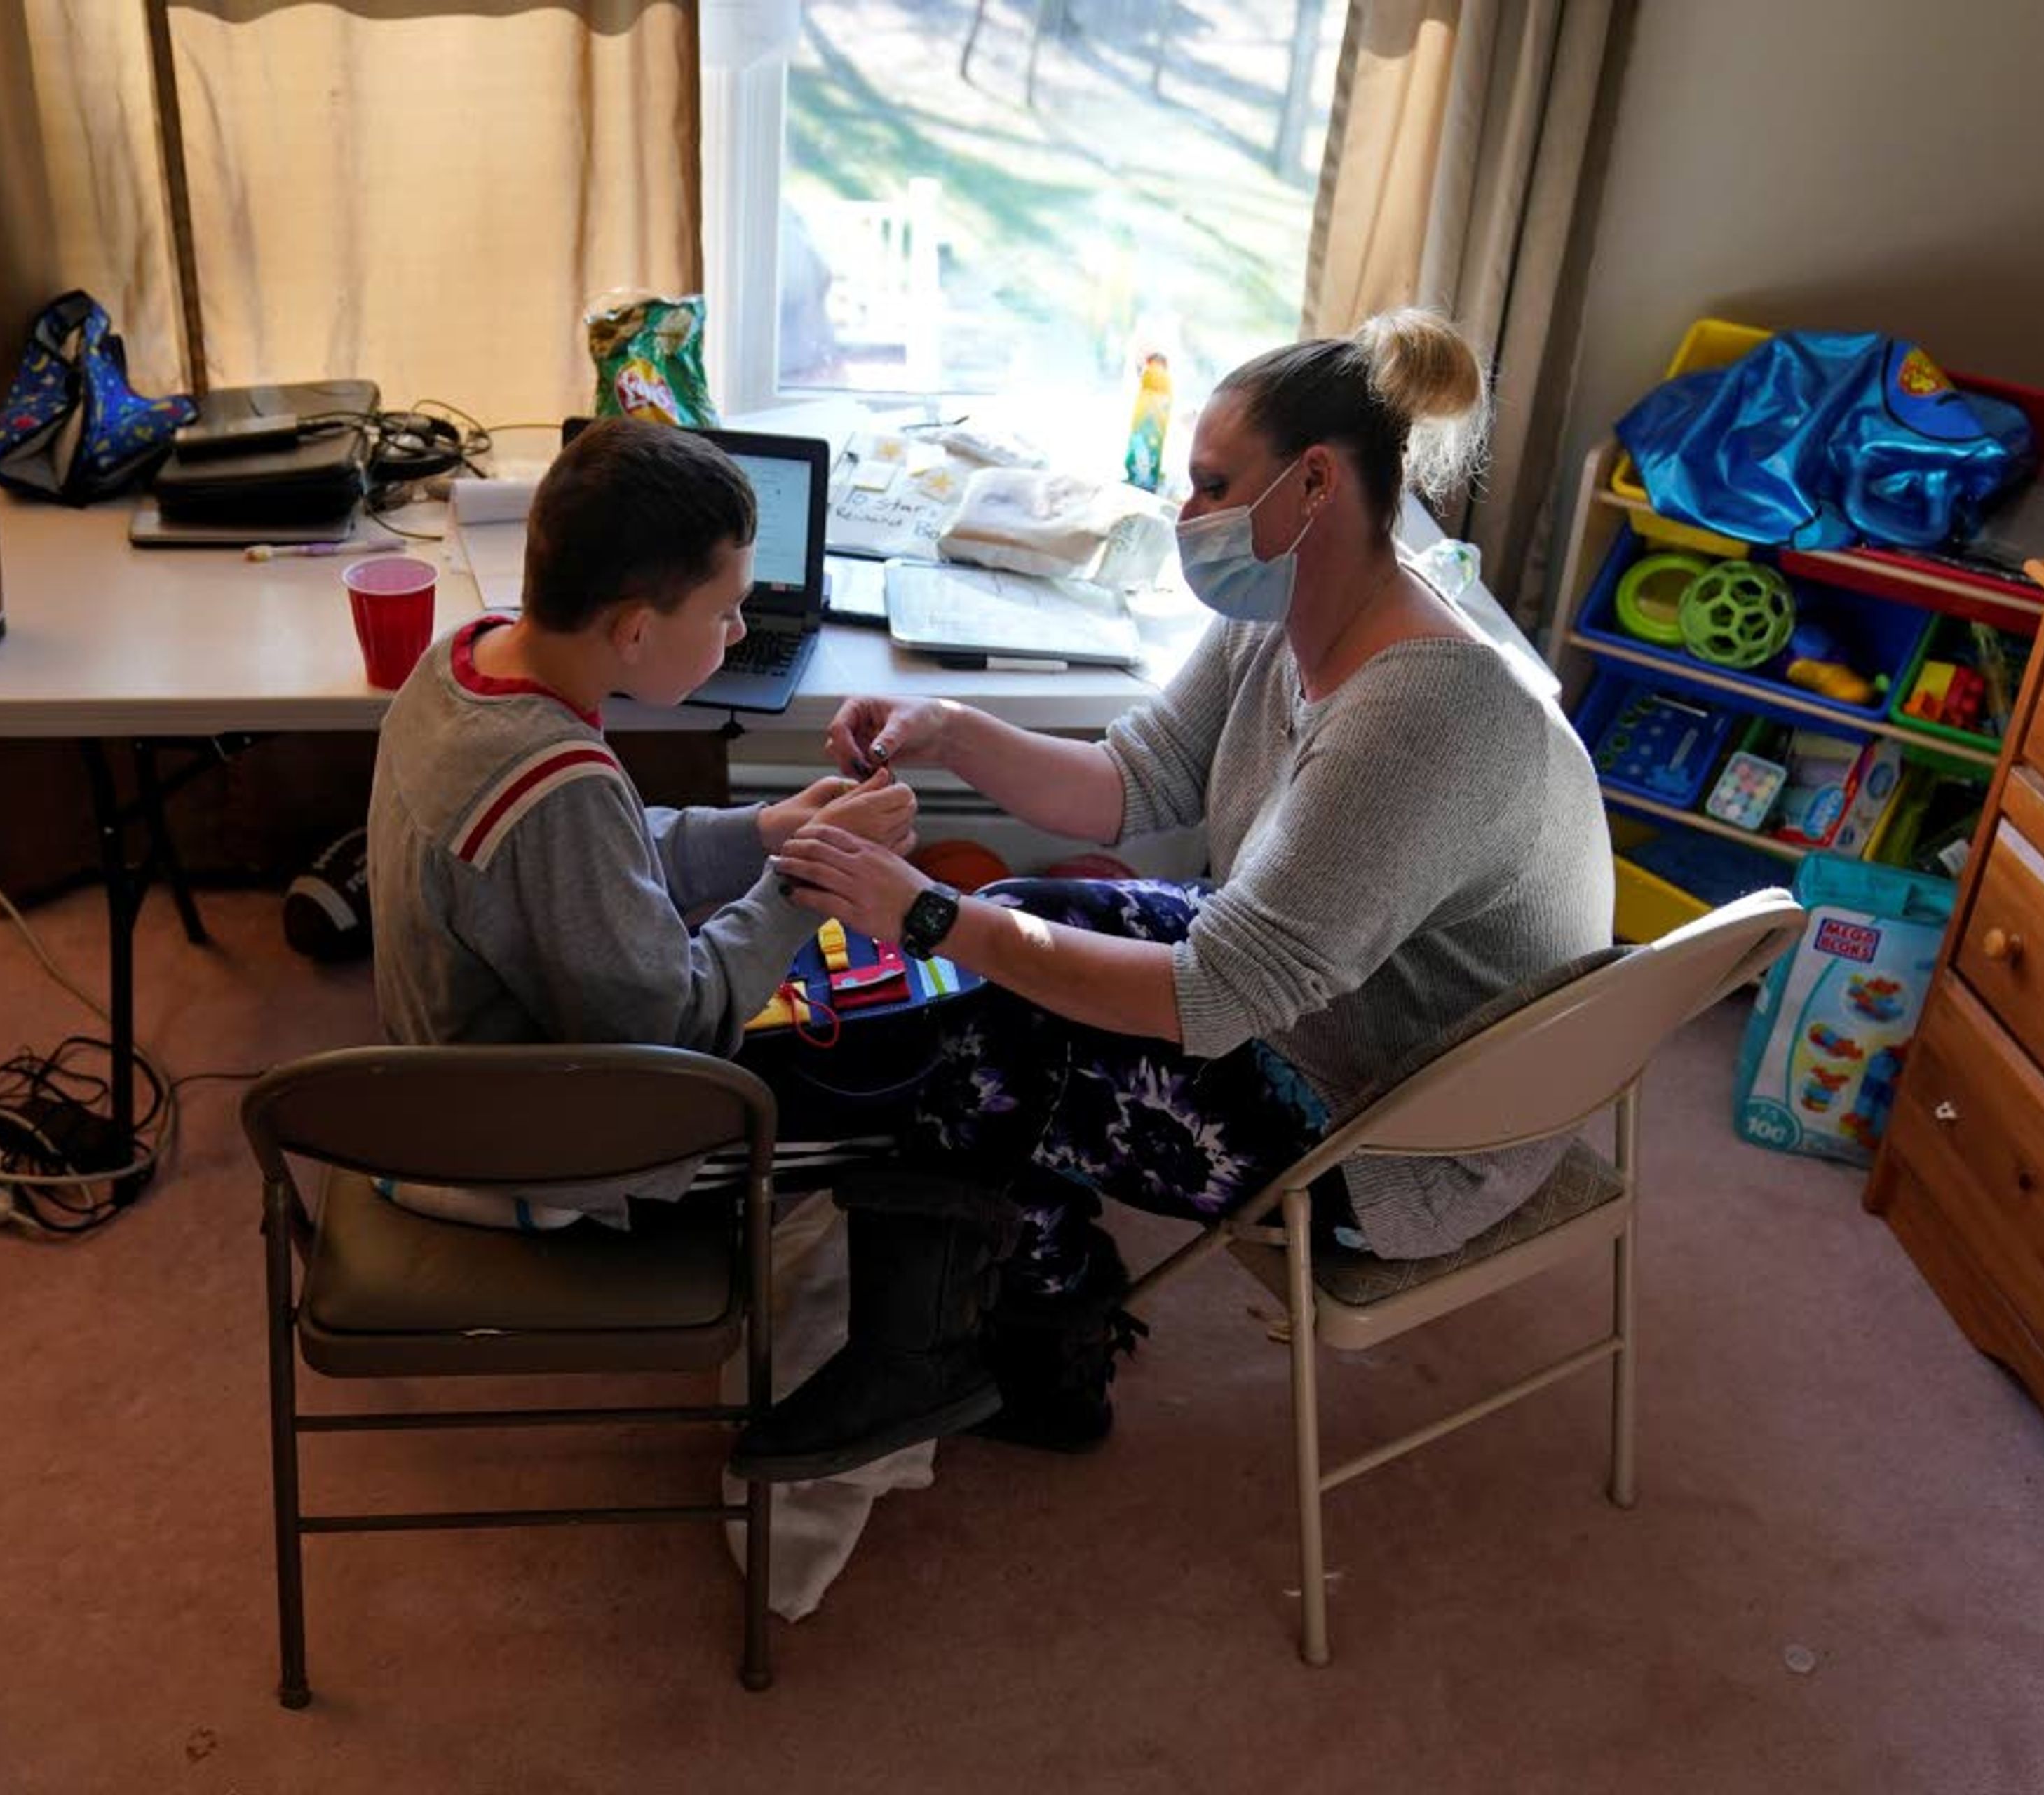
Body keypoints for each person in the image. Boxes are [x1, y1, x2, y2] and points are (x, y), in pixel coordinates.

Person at [729, 310, 1614, 1482]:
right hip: (1319, 1001)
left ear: (1313, 484)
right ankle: (1030, 1308)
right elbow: (1129, 782)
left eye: (1210, 485)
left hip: (1404, 1134)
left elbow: (1206, 999)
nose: (1187, 516)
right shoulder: (1291, 617)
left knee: (981, 1021)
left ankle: (983, 1350)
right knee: (1032, 935)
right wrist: (946, 731)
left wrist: (929, 914)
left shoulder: (1422, 717)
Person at [365, 416, 916, 1228]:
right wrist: (805, 883)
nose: (738, 632)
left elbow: (587, 861)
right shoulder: (555, 789)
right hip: (540, 1145)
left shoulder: (464, 657)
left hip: (444, 1067)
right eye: (727, 611)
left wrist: (764, 831)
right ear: (634, 628)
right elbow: (675, 1033)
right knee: (905, 1109)